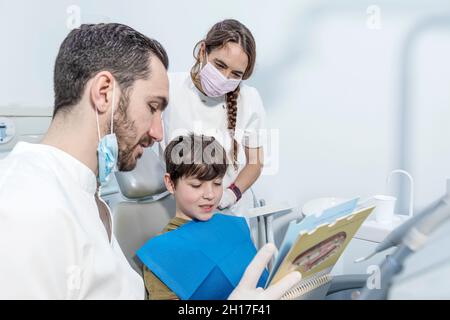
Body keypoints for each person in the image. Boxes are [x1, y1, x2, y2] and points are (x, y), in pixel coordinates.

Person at [0, 23, 300, 299]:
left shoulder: (89, 201)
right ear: (104, 92)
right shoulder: (26, 209)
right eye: (152, 106)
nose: (159, 133)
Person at [140, 134, 269, 300]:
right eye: (197, 185)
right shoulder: (161, 254)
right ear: (171, 183)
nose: (210, 194)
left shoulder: (233, 226)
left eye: (217, 183)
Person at [161, 19, 266, 217]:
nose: (225, 77)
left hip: (230, 210)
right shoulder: (169, 88)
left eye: (235, 74)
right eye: (219, 65)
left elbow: (255, 162)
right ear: (203, 51)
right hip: (182, 209)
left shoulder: (249, 99)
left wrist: (231, 194)